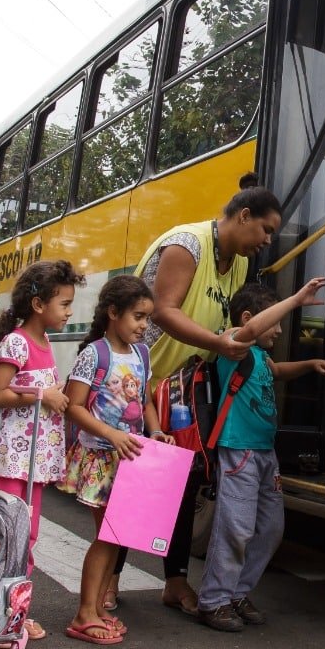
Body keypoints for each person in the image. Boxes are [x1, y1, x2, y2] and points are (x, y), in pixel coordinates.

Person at [131, 174, 281, 615]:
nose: (268, 241)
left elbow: (229, 325)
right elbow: (164, 310)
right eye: (266, 230)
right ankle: (108, 582)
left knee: (183, 484)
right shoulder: (187, 244)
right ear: (243, 215)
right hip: (140, 383)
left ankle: (175, 582)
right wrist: (219, 343)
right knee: (133, 488)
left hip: (182, 391)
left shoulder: (236, 262)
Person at [196, 278, 325, 632]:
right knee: (236, 527)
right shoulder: (235, 347)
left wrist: (309, 363)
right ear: (249, 318)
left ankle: (237, 592)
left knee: (270, 529)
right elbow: (253, 329)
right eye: (274, 321)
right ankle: (214, 600)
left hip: (263, 453)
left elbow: (276, 372)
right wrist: (296, 299)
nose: (278, 330)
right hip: (239, 451)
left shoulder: (260, 356)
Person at [0, 259, 84, 642]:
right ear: (38, 305)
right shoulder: (17, 341)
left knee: (26, 535)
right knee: (5, 535)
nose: (69, 312)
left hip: (30, 461)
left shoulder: (44, 342)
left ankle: (13, 611)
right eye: (64, 304)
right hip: (9, 460)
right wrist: (42, 395)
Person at [58, 275, 168, 645]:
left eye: (147, 318)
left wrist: (155, 432)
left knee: (118, 537)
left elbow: (147, 399)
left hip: (131, 460)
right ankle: (83, 614)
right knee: (107, 536)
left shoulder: (142, 354)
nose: (143, 326)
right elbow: (73, 407)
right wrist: (111, 434)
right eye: (138, 316)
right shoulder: (95, 354)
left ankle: (98, 609)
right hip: (101, 458)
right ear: (113, 312)